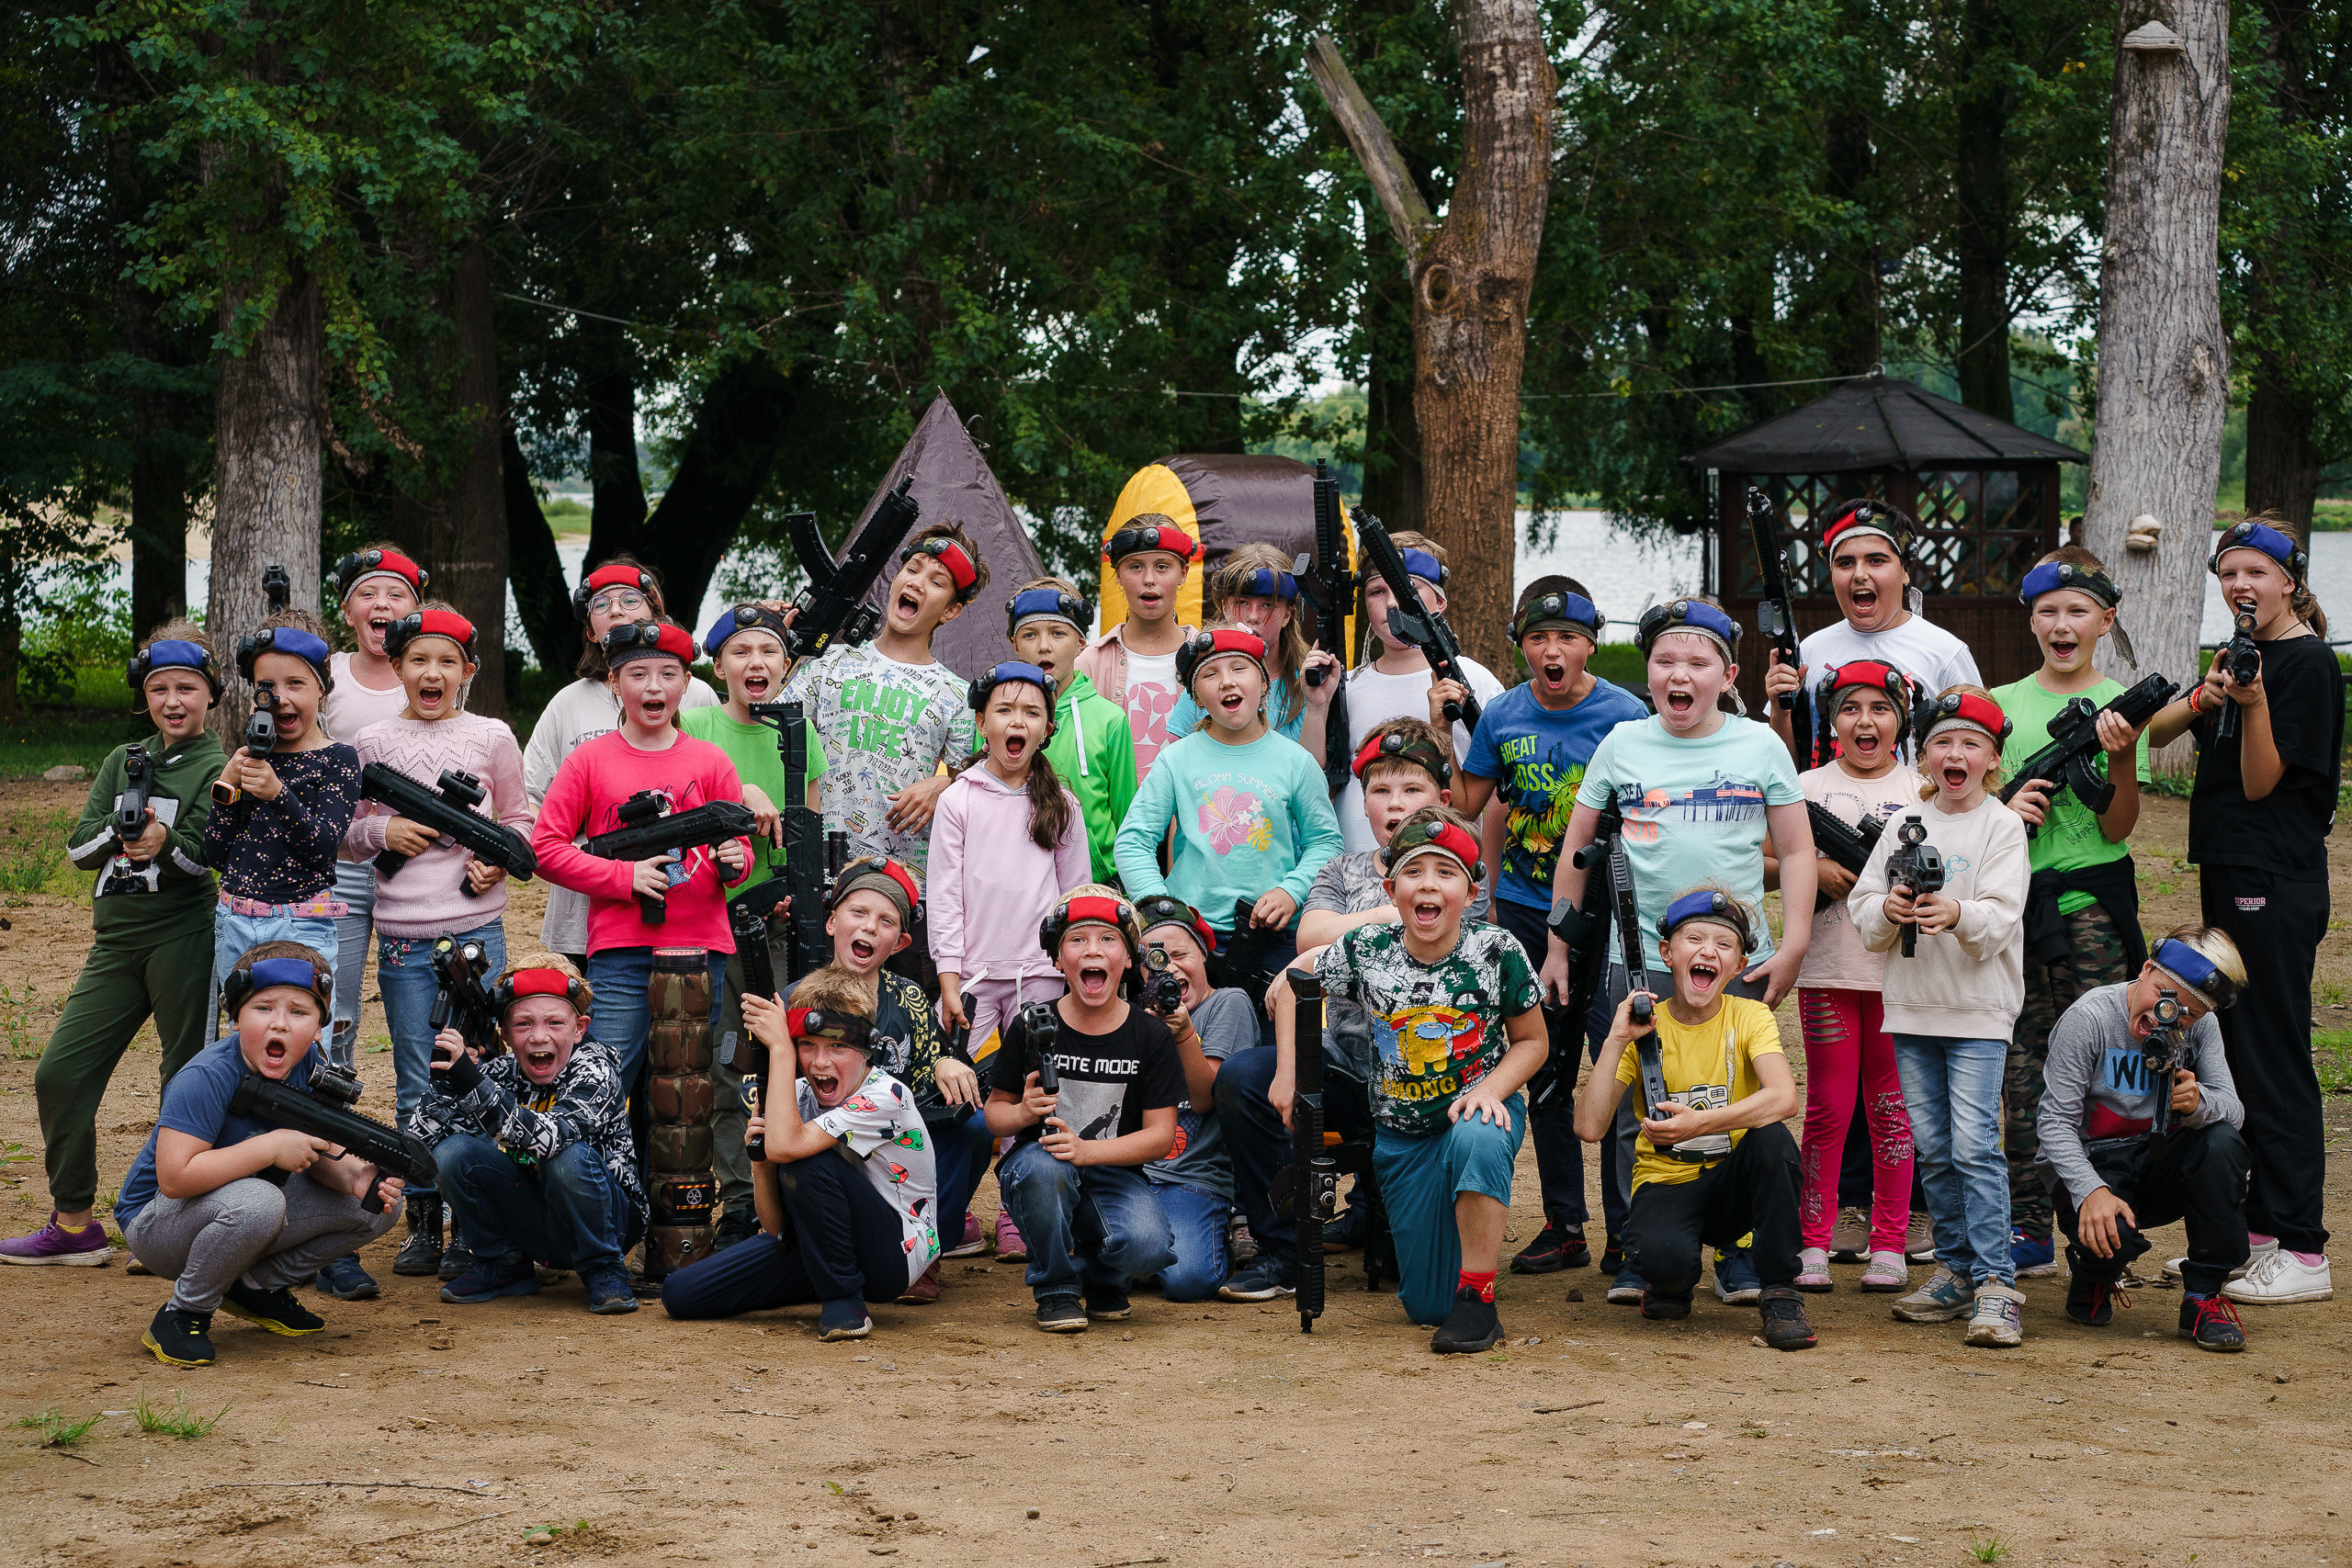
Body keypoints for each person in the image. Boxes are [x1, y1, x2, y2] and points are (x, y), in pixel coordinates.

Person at [1540, 599, 1813, 1308]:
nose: (1679, 674)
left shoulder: (1760, 746)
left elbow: (1796, 849)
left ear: (1727, 673)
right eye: (1665, 661)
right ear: (1647, 672)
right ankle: (1636, 1244)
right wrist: (1558, 947)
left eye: (1697, 663)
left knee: (1740, 1094)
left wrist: (1795, 943)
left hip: (1735, 956)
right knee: (1635, 1102)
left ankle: (1740, 1251)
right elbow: (1578, 851)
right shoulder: (1623, 744)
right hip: (1637, 959)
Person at [2145, 516, 2340, 1306]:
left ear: (2290, 580)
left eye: (2257, 572)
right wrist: (2212, 689)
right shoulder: (2239, 655)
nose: (2241, 587)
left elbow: (2263, 783)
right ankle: (2253, 1234)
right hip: (2231, 868)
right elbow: (2162, 739)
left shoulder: (2309, 665)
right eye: (2229, 574)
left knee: (2275, 1053)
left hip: (2276, 875)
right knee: (2240, 1046)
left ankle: (2302, 1246)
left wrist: (2252, 701)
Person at [1220, 716, 1471, 1298]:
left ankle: (1398, 1222)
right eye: (1380, 791)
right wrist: (1392, 913)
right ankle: (1282, 1250)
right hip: (1349, 1067)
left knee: (1409, 1264)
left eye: (1413, 789)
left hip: (1433, 1079)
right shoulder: (1343, 870)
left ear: (1443, 797)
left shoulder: (1460, 874)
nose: (1395, 805)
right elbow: (1310, 934)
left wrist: (1366, 924)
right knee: (1243, 1080)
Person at [0, 626, 226, 1269]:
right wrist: (120, 830)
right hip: (114, 941)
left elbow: (211, 850)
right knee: (59, 1071)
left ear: (210, 693)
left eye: (186, 687)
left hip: (185, 935)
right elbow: (77, 846)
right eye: (159, 688)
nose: (173, 700)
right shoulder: (122, 757)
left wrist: (165, 841)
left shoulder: (220, 764)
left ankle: (168, 1224)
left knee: (185, 1082)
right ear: (145, 696)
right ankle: (74, 1224)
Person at [1281, 807, 1546, 1352]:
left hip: (1472, 1110)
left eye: (1446, 873)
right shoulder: (1367, 950)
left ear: (1471, 893)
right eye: (1414, 872)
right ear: (1390, 887)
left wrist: (1491, 1090)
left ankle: (1479, 1296)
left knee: (1479, 1132)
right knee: (1426, 1306)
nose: (1429, 885)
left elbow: (1534, 1042)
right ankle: (1460, 1261)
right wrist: (1288, 1069)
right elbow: (1293, 980)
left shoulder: (1497, 952)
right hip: (1402, 1135)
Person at [340, 605, 533, 1283]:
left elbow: (518, 819)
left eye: (446, 661)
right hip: (402, 941)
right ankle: (421, 1218)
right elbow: (349, 832)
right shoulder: (371, 743)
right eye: (418, 659)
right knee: (416, 1079)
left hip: (476, 935)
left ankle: (470, 1226)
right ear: (396, 668)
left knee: (475, 1070)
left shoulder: (493, 736)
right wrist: (383, 836)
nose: (432, 672)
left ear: (468, 672)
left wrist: (498, 860)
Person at [1458, 579, 1645, 1276]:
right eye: (1538, 638)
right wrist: (1448, 723)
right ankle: (1566, 1222)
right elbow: (1469, 804)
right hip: (1530, 914)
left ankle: (1628, 1227)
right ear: (1522, 647)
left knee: (1619, 1059)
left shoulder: (1626, 715)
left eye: (1566, 637)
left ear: (1590, 642)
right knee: (1544, 1063)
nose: (1552, 649)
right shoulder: (1503, 714)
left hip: (1609, 915)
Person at [530, 619, 752, 1190]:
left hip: (703, 947)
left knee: (683, 1090)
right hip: (622, 952)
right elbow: (546, 849)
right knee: (607, 1081)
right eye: (638, 674)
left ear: (686, 685)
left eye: (668, 675)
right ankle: (602, 1211)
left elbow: (739, 849)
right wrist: (624, 879)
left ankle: (671, 1228)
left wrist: (735, 860)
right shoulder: (589, 761)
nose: (653, 687)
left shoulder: (710, 761)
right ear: (614, 684)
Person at [116, 945, 404, 1367]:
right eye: (263, 1008)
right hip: (158, 1224)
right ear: (235, 1018)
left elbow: (316, 1150)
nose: (280, 1024)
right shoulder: (207, 1076)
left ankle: (254, 1288)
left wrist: (354, 1180)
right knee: (259, 1201)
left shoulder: (310, 1065)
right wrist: (270, 1147)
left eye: (299, 1013)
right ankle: (184, 1312)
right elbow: (175, 1178)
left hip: (241, 1208)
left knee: (376, 1207)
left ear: (321, 1027)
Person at [1992, 549, 2154, 1281]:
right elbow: (1964, 813)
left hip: (2094, 908)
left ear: (2105, 619)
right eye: (2049, 612)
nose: (2064, 624)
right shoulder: (1999, 705)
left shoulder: (2123, 701)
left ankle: (2106, 1222)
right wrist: (2004, 811)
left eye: (2078, 611)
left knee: (2105, 1064)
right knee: (2022, 1067)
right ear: (2031, 620)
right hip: (2018, 907)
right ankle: (2027, 1225)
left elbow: (2118, 826)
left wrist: (2118, 759)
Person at [1851, 686, 2030, 1347]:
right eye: (1943, 742)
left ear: (1992, 757)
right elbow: (1866, 904)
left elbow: (2003, 914)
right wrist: (1887, 911)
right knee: (1934, 1147)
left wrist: (1956, 912)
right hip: (1913, 1009)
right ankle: (1955, 1269)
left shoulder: (2001, 825)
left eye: (1971, 743)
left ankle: (1996, 1282)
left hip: (1978, 1012)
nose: (1956, 754)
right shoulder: (1905, 823)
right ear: (1923, 755)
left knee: (1975, 1146)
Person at [1575, 889, 1816, 1348]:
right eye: (1695, 940)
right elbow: (1589, 1128)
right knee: (1664, 1266)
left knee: (1774, 1143)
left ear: (1740, 964)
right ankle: (1669, 1281)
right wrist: (1615, 1041)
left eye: (1724, 945)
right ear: (1667, 952)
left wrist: (1699, 1124)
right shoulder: (1645, 1026)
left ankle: (1781, 1291)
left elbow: (1784, 1098)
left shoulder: (1750, 1016)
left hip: (1731, 1185)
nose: (1708, 951)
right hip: (1666, 1183)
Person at [1765, 660, 1922, 1293]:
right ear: (1831, 720)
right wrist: (1820, 872)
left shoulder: (1925, 788)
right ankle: (1814, 1239)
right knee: (1829, 1108)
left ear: (1900, 719)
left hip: (1903, 978)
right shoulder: (1805, 786)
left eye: (1880, 708)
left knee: (1891, 1109)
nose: (1866, 721)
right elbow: (1769, 859)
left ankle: (1890, 1240)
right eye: (1851, 708)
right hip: (1828, 970)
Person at [681, 604, 827, 1248]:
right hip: (716, 919)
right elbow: (678, 797)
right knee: (728, 1060)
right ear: (718, 667)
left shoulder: (800, 731)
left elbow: (811, 825)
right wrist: (739, 787)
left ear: (787, 664)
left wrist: (805, 893)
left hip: (784, 924)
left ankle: (795, 1188)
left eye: (768, 651)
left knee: (791, 1055)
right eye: (740, 652)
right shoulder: (697, 723)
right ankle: (739, 1197)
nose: (755, 663)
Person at [777, 858, 990, 1297]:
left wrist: (944, 1062)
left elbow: (929, 1080)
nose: (870, 927)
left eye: (886, 921)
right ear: (832, 921)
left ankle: (927, 1250)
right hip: (822, 1146)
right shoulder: (794, 999)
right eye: (858, 913)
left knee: (973, 1123)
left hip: (894, 1150)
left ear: (900, 942)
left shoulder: (909, 997)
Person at [2035, 929, 2251, 1351]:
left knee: (2223, 1143)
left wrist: (2198, 1101)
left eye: (2187, 1012)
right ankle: (2093, 1275)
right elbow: (2054, 1122)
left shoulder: (2201, 1028)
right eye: (2164, 994)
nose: (2168, 1015)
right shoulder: (2091, 1017)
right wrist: (2090, 1190)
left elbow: (2234, 1110)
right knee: (2109, 1233)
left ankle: (2203, 1296)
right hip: (2095, 1163)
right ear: (2147, 969)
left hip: (2160, 1160)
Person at [986, 887, 1182, 1333]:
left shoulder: (1150, 1035)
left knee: (1149, 1247)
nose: (1093, 949)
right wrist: (1022, 1112)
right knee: (1042, 1172)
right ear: (1058, 960)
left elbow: (1159, 1137)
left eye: (1108, 940)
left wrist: (1086, 1152)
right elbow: (994, 1114)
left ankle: (1101, 1279)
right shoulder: (1033, 1024)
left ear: (1129, 959)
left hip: (1111, 1170)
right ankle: (1055, 1287)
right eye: (1077, 940)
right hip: (1043, 1167)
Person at [1113, 626, 1345, 994]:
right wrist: (1162, 914)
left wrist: (1292, 891)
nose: (1226, 682)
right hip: (1191, 939)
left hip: (1276, 940)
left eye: (1240, 668)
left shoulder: (1297, 763)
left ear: (1263, 684)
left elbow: (1327, 844)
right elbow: (1133, 842)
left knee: (1273, 1044)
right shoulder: (1175, 760)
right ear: (1197, 698)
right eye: (1210, 674)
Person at [410, 960, 644, 1314]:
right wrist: (449, 1080)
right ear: (504, 1034)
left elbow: (549, 1139)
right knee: (452, 1152)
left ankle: (604, 1270)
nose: (538, 1036)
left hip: (611, 1224)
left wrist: (474, 1084)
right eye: (523, 1024)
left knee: (565, 1157)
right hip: (540, 1224)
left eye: (554, 1023)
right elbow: (421, 1139)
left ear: (580, 1029)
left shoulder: (595, 1069)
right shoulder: (503, 1071)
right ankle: (505, 1265)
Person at [522, 556, 721, 964]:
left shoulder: (695, 694)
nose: (614, 609)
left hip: (681, 909)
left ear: (655, 612)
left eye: (630, 599)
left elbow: (722, 786)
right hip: (583, 912)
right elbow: (532, 796)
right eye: (600, 604)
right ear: (590, 629)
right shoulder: (567, 703)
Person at [780, 521, 985, 886]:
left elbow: (976, 786)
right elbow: (767, 733)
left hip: (904, 886)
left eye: (937, 582)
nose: (917, 583)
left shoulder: (958, 696)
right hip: (811, 873)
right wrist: (776, 646)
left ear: (951, 611)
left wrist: (943, 786)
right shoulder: (827, 661)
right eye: (912, 568)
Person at [932, 661, 1091, 1055]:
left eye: (1032, 712)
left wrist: (1068, 969)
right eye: (1004, 710)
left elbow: (1075, 897)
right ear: (982, 723)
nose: (1017, 721)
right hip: (972, 977)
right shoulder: (957, 799)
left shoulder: (1063, 806)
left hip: (1041, 976)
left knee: (1036, 1082)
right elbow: (944, 897)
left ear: (1047, 730)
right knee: (942, 1076)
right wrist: (949, 982)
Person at [203, 610, 362, 998]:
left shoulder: (337, 759)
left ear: (322, 688)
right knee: (247, 1036)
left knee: (305, 1034)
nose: (282, 699)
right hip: (236, 921)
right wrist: (226, 786)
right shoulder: (251, 758)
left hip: (302, 924)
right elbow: (216, 853)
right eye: (267, 687)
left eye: (296, 684)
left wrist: (277, 793)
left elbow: (323, 847)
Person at [1761, 499, 1981, 766]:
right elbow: (1784, 768)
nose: (1860, 574)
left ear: (1905, 572)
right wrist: (1779, 709)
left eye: (1876, 561)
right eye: (1845, 563)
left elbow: (1975, 749)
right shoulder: (1810, 650)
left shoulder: (1945, 652)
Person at [1330, 531, 1507, 855]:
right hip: (1355, 875)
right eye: (1376, 591)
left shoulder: (1476, 681)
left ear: (1439, 600)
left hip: (1441, 877)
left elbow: (1495, 799)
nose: (1392, 603)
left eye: (1407, 590)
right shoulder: (1347, 686)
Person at [322, 546, 425, 1074]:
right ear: (347, 609)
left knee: (416, 993)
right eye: (367, 594)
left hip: (415, 864)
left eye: (396, 594)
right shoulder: (326, 675)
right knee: (333, 996)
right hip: (339, 861)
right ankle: (328, 1099)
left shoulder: (428, 675)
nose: (380, 604)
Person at [1133, 895, 1258, 1301]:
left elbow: (1205, 1099)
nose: (1168, 967)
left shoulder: (1228, 1003)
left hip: (1194, 1178)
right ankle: (1143, 1252)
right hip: (1134, 1175)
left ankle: (1162, 1249)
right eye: (1153, 959)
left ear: (1204, 956)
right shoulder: (1130, 1016)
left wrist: (1183, 1033)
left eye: (1180, 953)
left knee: (1188, 1282)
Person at [1007, 579, 1136, 886]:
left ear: (1081, 642)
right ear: (1015, 644)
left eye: (1058, 633)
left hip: (1096, 885)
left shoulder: (1110, 720)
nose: (1044, 646)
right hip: (1017, 881)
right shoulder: (996, 719)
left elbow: (1127, 819)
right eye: (1029, 634)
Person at [1168, 544, 1340, 757]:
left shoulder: (1309, 681)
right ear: (1224, 606)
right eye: (1242, 602)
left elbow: (1312, 777)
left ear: (1287, 615)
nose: (1253, 617)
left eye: (1267, 605)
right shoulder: (1207, 678)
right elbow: (1178, 760)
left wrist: (1316, 707)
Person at [1077, 513, 1201, 783]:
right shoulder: (1089, 664)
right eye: (1135, 567)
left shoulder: (1210, 660)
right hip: (1115, 820)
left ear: (1183, 574)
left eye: (1162, 566)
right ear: (1118, 577)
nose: (1148, 579)